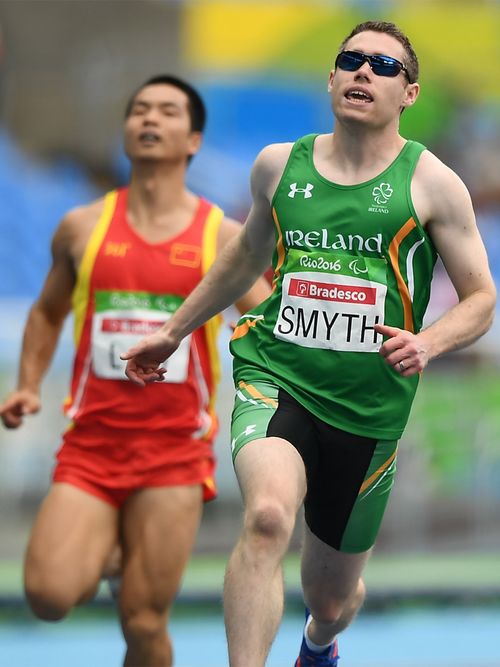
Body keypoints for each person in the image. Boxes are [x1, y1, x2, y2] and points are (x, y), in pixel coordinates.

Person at [121, 21, 497, 667]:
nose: (362, 72)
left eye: (382, 65)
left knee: (331, 595)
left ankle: (320, 643)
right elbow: (244, 259)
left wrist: (428, 343)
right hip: (277, 372)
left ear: (409, 93)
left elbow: (481, 297)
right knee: (267, 517)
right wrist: (172, 330)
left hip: (368, 406)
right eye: (350, 60)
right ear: (331, 79)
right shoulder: (277, 165)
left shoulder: (434, 183)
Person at [0, 74, 269, 667]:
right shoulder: (82, 227)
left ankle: (130, 567)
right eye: (140, 109)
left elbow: (269, 325)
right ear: (125, 131)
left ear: (193, 139)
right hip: (92, 446)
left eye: (168, 111)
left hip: (174, 455)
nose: (150, 119)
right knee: (47, 596)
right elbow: (46, 313)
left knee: (144, 621)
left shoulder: (222, 238)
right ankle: (117, 553)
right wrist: (25, 383)